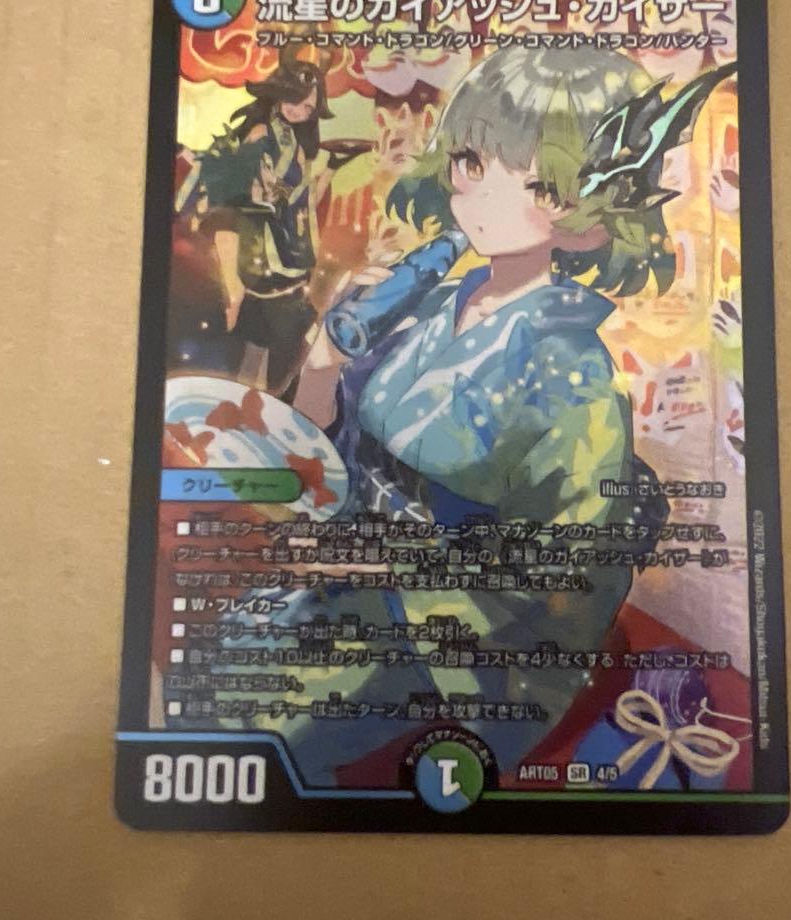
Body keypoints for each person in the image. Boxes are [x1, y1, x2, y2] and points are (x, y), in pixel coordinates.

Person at [241, 47, 733, 785]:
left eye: (534, 180)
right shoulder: (430, 299)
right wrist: (322, 365)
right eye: (471, 160)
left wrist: (381, 565)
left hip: (458, 632)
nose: (477, 191)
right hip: (351, 574)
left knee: (261, 724)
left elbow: (556, 574)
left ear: (588, 213)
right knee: (218, 665)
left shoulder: (574, 374)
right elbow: (325, 450)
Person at [173, 49, 335, 394]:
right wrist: (234, 289)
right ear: (279, 92)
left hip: (285, 254)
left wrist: (331, 170)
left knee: (266, 345)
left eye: (308, 108)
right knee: (272, 339)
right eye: (295, 100)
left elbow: (297, 199)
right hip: (258, 249)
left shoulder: (292, 140)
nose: (300, 111)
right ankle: (255, 402)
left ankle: (255, 402)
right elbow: (240, 192)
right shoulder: (262, 132)